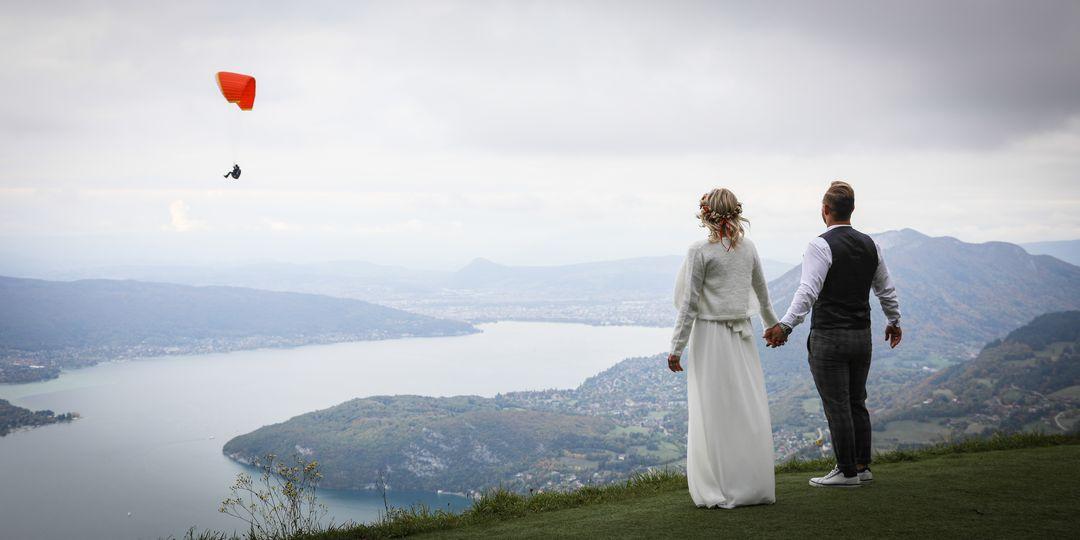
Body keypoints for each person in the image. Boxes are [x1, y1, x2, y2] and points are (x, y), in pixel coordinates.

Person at [764, 180, 902, 488]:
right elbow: (886, 289)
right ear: (851, 210)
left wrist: (786, 325)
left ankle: (846, 471)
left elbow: (808, 291)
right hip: (861, 336)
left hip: (829, 337)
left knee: (837, 405)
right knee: (857, 401)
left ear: (825, 210)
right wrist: (893, 320)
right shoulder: (872, 245)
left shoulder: (820, 245)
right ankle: (863, 467)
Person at [668, 188, 778, 509]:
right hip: (743, 336)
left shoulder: (699, 251)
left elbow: (688, 304)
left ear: (705, 214)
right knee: (745, 407)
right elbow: (763, 294)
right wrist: (771, 326)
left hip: (711, 336)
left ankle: (721, 484)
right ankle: (750, 484)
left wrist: (676, 347)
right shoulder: (749, 249)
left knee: (713, 410)